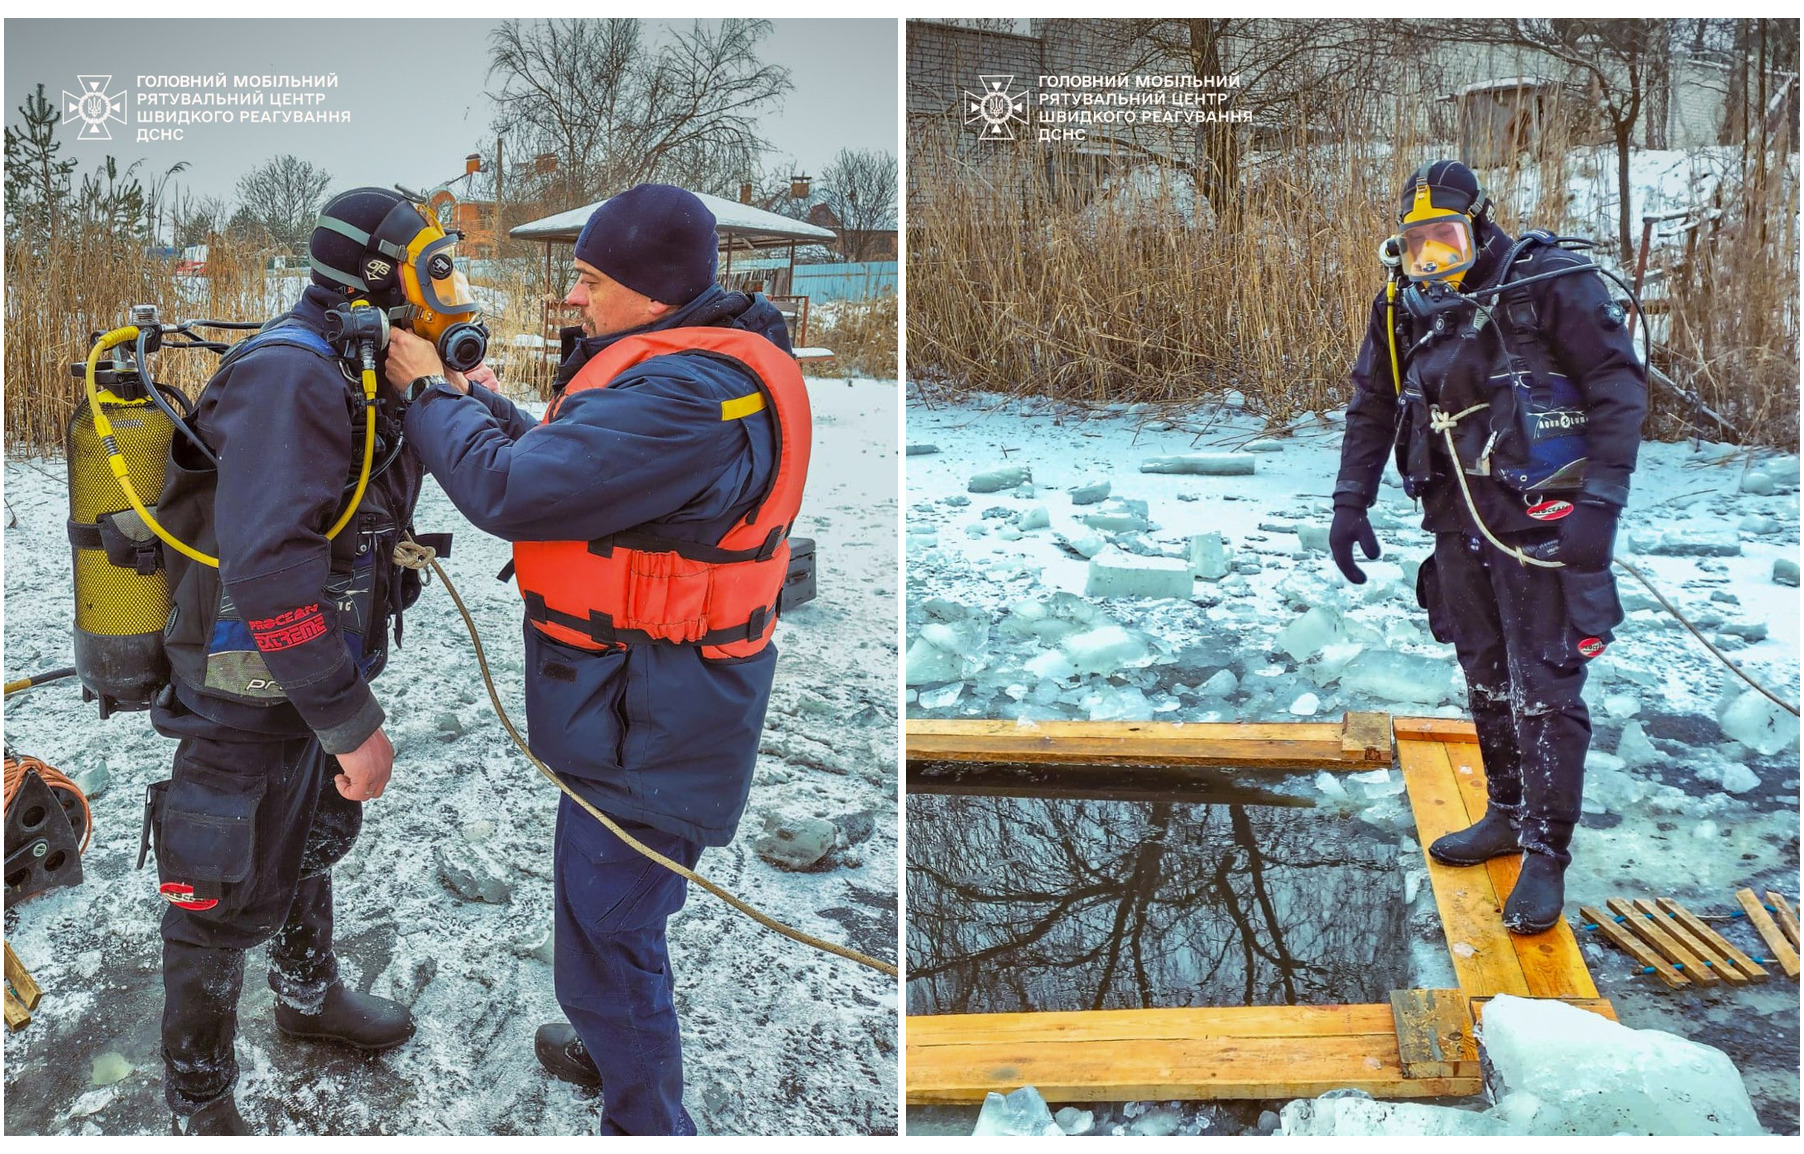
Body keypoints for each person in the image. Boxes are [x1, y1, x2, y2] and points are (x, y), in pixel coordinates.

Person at [384, 183, 811, 1135]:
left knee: (607, 930)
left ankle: (644, 1115)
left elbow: (509, 489)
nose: (570, 298)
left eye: (587, 279)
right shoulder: (692, 370)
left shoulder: (692, 395)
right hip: (644, 709)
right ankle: (612, 1038)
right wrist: (480, 402)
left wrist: (421, 393)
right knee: (608, 915)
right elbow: (585, 471)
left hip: (654, 727)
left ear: (651, 292)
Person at [147, 186, 465, 1133]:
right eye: (434, 266)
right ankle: (199, 1102)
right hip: (247, 691)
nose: (448, 285)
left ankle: (305, 992)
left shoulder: (357, 360)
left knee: (308, 841)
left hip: (308, 678)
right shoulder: (295, 374)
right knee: (216, 883)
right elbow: (272, 573)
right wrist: (350, 723)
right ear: (380, 273)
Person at [1328, 160, 1646, 934]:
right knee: (1485, 673)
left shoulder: (1546, 283)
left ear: (1482, 224)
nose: (1433, 258)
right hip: (1454, 512)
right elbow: (1373, 404)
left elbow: (1618, 386)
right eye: (1416, 245)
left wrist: (1599, 506)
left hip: (1541, 517)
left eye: (1447, 238)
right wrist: (1350, 500)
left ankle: (1546, 853)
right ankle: (1505, 809)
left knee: (1545, 684)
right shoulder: (1404, 305)